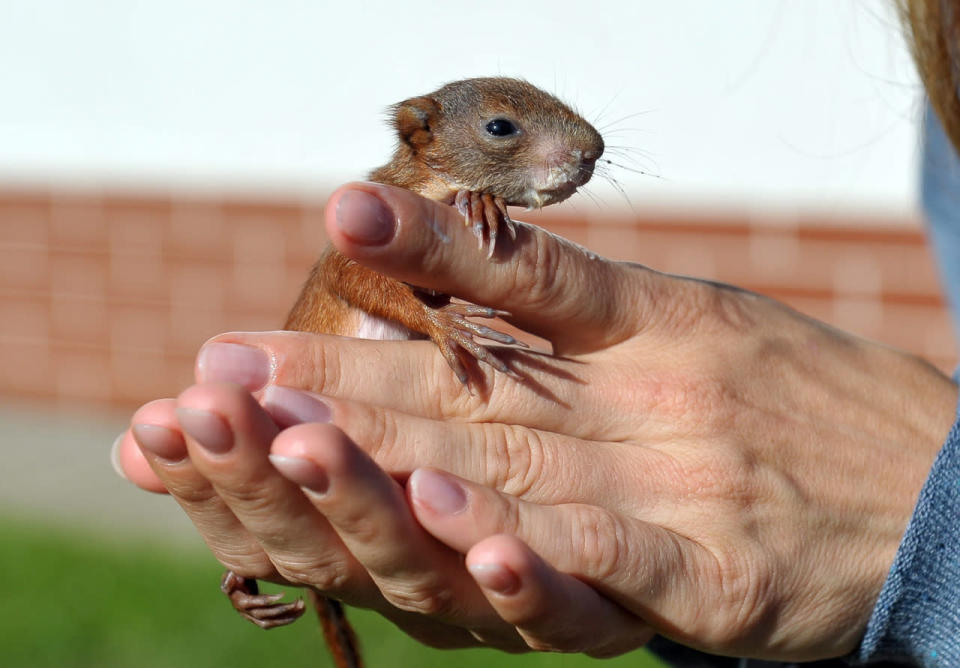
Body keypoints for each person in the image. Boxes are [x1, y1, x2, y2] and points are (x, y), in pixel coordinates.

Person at [113, 2, 960, 664]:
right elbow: (355, 281)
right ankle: (251, 559)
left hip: (382, 450)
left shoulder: (470, 225)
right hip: (313, 414)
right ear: (425, 136)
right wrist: (441, 324)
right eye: (504, 134)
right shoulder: (395, 205)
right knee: (270, 463)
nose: (578, 152)